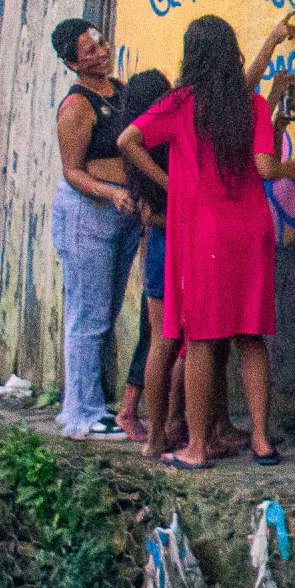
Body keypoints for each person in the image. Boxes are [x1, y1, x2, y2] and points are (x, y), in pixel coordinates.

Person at [120, 14, 295, 470]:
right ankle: (261, 440)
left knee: (201, 339)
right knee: (250, 335)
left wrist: (171, 183)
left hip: (204, 233)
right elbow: (264, 164)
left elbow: (128, 140)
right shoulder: (251, 105)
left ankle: (197, 447)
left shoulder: (180, 103)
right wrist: (271, 43)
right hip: (251, 230)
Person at [48, 18, 145, 440]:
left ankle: (85, 402)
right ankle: (82, 415)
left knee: (104, 310)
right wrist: (110, 192)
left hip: (123, 212)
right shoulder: (76, 107)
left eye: (101, 43)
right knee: (87, 314)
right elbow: (73, 171)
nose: (101, 53)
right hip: (88, 214)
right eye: (89, 51)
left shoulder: (119, 91)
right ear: (72, 63)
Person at [113, 69, 175, 445]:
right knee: (160, 337)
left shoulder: (146, 152)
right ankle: (141, 417)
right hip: (164, 248)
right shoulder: (150, 152)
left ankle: (153, 421)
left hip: (157, 249)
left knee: (156, 336)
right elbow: (151, 215)